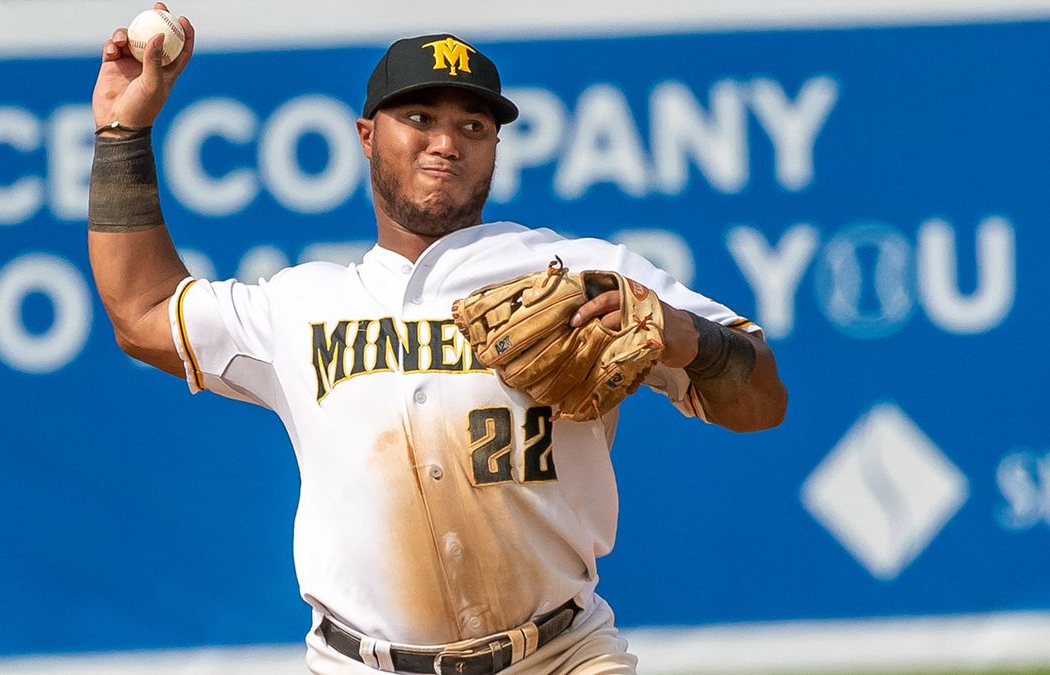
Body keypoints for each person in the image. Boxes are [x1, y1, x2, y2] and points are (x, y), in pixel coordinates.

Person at [88, 6, 787, 674]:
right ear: (367, 136)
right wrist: (123, 133)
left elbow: (763, 399)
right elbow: (141, 309)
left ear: (495, 145)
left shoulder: (580, 275)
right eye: (418, 118)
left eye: (473, 125)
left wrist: (685, 336)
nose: (446, 143)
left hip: (561, 654)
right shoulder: (301, 307)